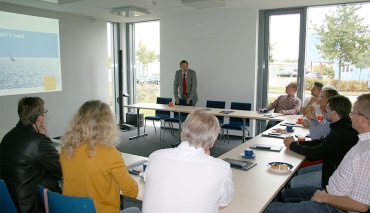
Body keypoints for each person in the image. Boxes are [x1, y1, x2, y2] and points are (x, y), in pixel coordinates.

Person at [264, 93, 370, 213]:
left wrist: (325, 197)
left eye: (353, 113)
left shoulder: (365, 152)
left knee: (264, 209)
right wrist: (295, 143)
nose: (350, 116)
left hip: (333, 205)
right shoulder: (356, 138)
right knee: (287, 195)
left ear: (363, 119)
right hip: (330, 193)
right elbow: (322, 143)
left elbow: (362, 205)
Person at [142, 109, 234, 213]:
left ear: (183, 130)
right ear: (212, 142)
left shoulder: (155, 157)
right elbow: (222, 205)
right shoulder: (222, 169)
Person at [60, 100, 140, 213]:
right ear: (108, 124)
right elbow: (132, 192)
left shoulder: (66, 149)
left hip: (72, 210)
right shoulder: (110, 154)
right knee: (136, 210)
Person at [0, 97, 62, 213]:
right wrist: (44, 138)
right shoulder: (38, 141)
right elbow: (60, 170)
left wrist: (41, 138)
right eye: (44, 113)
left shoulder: (8, 137)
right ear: (39, 118)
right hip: (31, 206)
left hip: (11, 203)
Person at [283, 95, 358, 189]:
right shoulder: (342, 126)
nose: (325, 111)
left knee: (294, 182)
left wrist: (293, 145)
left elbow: (314, 153)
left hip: (334, 177)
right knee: (300, 172)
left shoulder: (341, 133)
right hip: (334, 167)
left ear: (334, 113)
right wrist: (296, 143)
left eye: (328, 108)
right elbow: (321, 142)